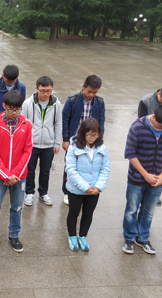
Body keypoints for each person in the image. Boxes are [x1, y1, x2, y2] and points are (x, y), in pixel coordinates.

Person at [122, 104, 162, 255]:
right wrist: (145, 174)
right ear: (154, 117)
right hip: (137, 178)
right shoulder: (137, 127)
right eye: (161, 126)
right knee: (131, 210)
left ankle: (143, 237)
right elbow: (130, 153)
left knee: (149, 211)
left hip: (157, 180)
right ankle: (129, 238)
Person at [0, 90, 32, 254]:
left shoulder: (26, 124)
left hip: (19, 177)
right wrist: (5, 175)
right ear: (4, 106)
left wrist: (15, 175)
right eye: (11, 109)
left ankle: (14, 235)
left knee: (17, 207)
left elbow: (28, 151)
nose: (14, 113)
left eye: (17, 110)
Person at [65, 118, 110, 251]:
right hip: (76, 189)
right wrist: (85, 187)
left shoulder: (102, 148)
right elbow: (71, 170)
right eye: (89, 134)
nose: (92, 137)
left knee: (88, 213)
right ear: (83, 133)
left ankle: (82, 235)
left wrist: (98, 187)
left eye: (95, 134)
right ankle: (72, 236)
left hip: (94, 189)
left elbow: (105, 169)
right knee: (74, 213)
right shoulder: (73, 148)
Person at [61, 75, 105, 206]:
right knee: (70, 167)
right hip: (75, 139)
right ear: (83, 87)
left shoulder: (99, 102)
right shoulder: (72, 100)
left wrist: (99, 138)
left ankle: (88, 188)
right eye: (89, 91)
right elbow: (65, 120)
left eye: (94, 92)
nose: (91, 95)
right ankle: (67, 191)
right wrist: (65, 139)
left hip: (92, 140)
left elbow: (101, 122)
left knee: (89, 166)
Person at [22, 76, 62, 206]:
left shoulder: (56, 104)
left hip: (48, 144)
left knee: (45, 171)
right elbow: (23, 124)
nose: (45, 94)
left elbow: (58, 123)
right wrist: (24, 143)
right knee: (30, 170)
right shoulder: (28, 103)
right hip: (31, 144)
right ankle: (29, 193)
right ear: (36, 89)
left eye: (48, 91)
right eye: (42, 91)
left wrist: (57, 142)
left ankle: (43, 192)